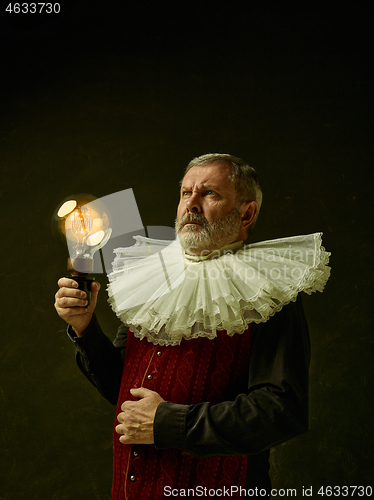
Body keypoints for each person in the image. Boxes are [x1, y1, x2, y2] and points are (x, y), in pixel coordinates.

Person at [55, 154, 329, 499]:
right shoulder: (148, 276)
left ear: (246, 213)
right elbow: (118, 387)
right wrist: (85, 329)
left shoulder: (271, 292)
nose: (192, 205)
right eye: (186, 193)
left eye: (209, 194)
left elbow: (282, 410)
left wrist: (168, 423)